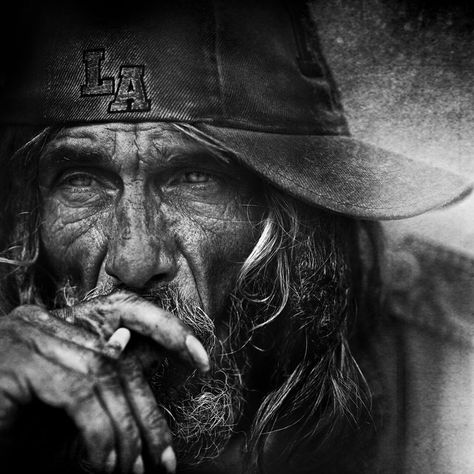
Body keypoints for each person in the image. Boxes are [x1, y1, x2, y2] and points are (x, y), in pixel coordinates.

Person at [0, 1, 471, 473]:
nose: (135, 260)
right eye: (81, 180)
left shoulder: (455, 384)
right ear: (25, 216)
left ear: (295, 217)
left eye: (193, 177)